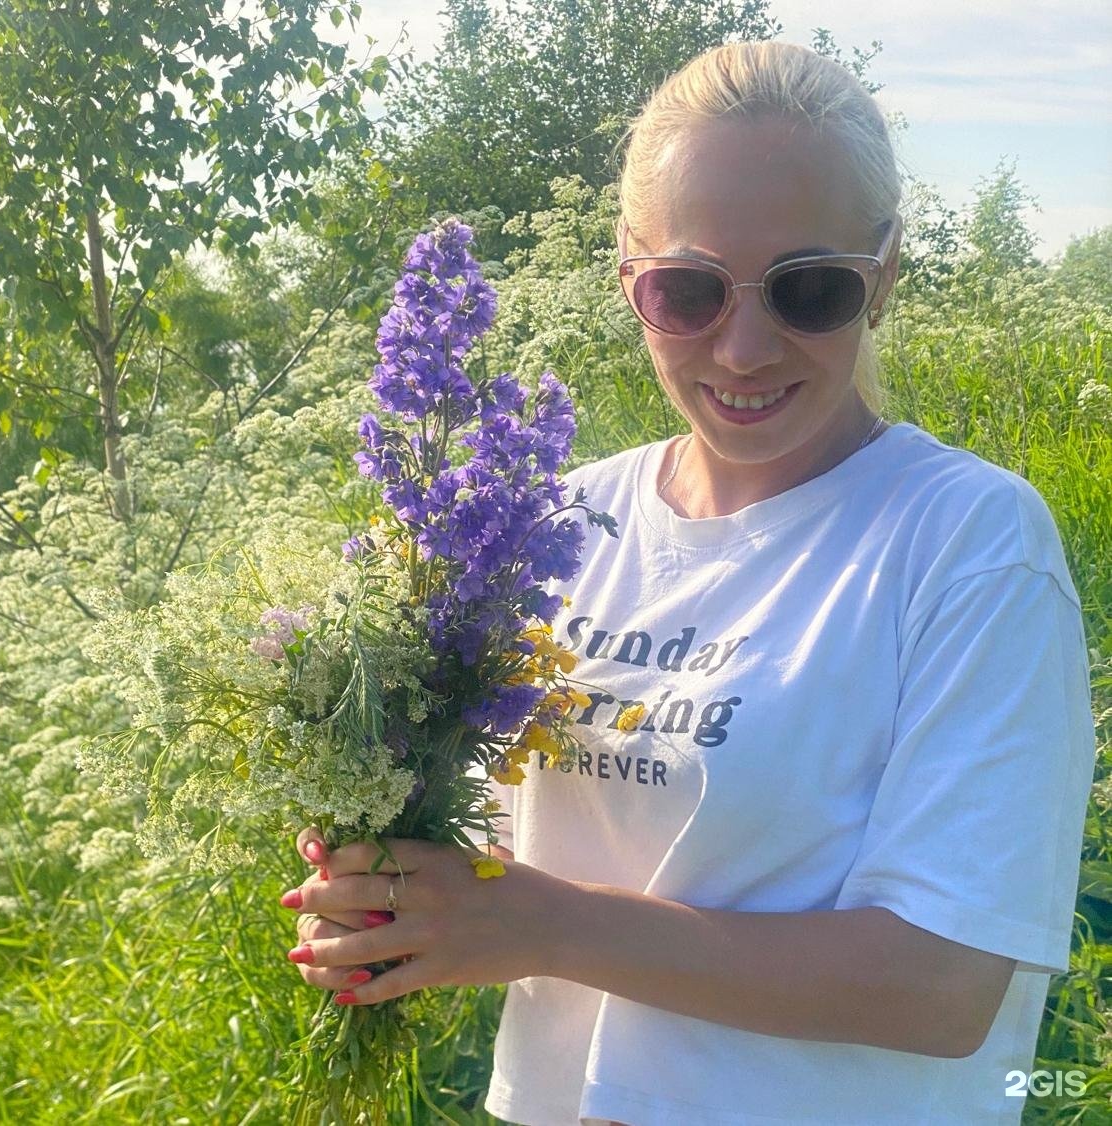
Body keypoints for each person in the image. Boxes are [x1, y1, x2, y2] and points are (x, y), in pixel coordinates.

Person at [280, 40, 1096, 1125]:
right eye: (690, 290)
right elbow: (493, 857)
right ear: (631, 279)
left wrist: (545, 923)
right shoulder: (554, 528)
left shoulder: (968, 544)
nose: (746, 346)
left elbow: (942, 988)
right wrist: (391, 869)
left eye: (811, 289)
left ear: (884, 275)